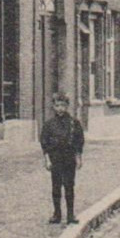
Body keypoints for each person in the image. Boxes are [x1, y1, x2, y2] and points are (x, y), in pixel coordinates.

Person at [39, 92, 85, 224]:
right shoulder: (49, 124)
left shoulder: (74, 123)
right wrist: (47, 159)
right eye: (57, 105)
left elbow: (79, 140)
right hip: (55, 159)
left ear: (67, 106)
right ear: (53, 107)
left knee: (69, 186)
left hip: (69, 158)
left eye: (63, 106)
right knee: (56, 187)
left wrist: (79, 157)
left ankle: (70, 215)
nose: (60, 109)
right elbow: (44, 142)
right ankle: (57, 214)